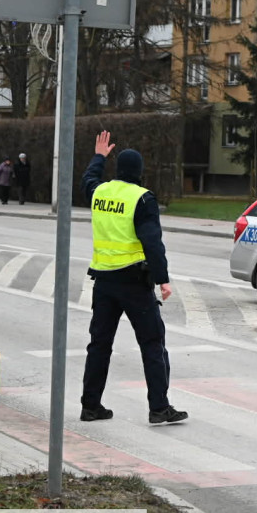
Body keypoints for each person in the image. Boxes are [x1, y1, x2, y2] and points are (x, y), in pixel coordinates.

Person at [80, 130, 188, 425]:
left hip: (103, 282)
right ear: (139, 173)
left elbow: (87, 180)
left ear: (118, 170)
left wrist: (98, 157)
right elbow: (152, 242)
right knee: (152, 343)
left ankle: (90, 405)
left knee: (99, 345)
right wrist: (163, 278)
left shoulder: (99, 192)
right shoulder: (142, 199)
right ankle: (159, 407)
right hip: (133, 283)